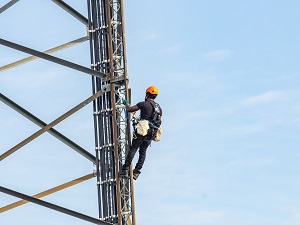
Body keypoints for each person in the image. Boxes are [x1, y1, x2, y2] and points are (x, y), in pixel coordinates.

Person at [119, 86, 162, 180]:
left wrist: (126, 104)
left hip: (142, 131)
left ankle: (125, 169)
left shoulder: (144, 104)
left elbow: (129, 109)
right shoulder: (159, 108)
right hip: (151, 133)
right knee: (143, 152)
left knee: (133, 148)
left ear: (147, 94)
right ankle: (136, 172)